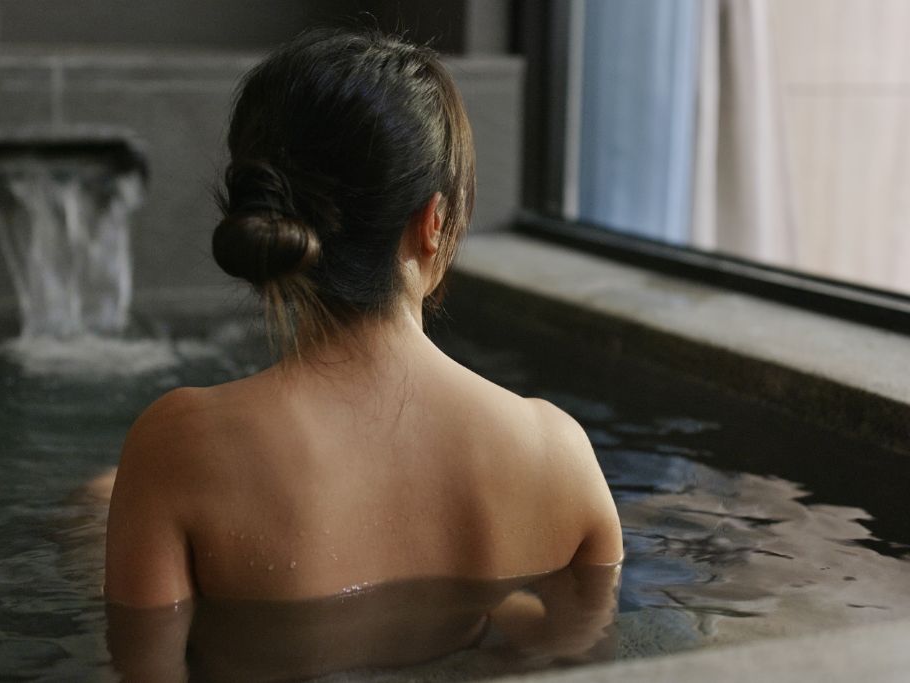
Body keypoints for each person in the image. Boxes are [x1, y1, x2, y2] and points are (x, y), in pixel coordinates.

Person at [104, 29, 622, 678]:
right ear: (433, 223)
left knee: (95, 502)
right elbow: (581, 656)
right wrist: (473, 604)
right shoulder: (556, 454)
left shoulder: (178, 448)